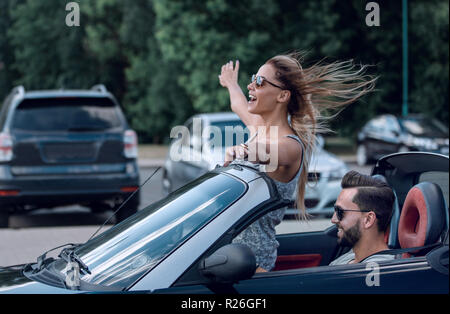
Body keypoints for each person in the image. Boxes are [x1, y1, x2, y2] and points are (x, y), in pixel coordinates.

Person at [218, 52, 376, 272]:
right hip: (228, 256)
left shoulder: (291, 146)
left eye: (260, 81)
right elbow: (238, 104)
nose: (251, 85)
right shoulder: (259, 128)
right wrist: (230, 84)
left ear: (282, 96)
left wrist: (242, 149)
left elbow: (266, 152)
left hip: (252, 268)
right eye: (253, 78)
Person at [329, 170, 396, 265]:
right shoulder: (352, 256)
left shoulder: (379, 270)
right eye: (335, 210)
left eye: (340, 212)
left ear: (368, 219)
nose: (333, 219)